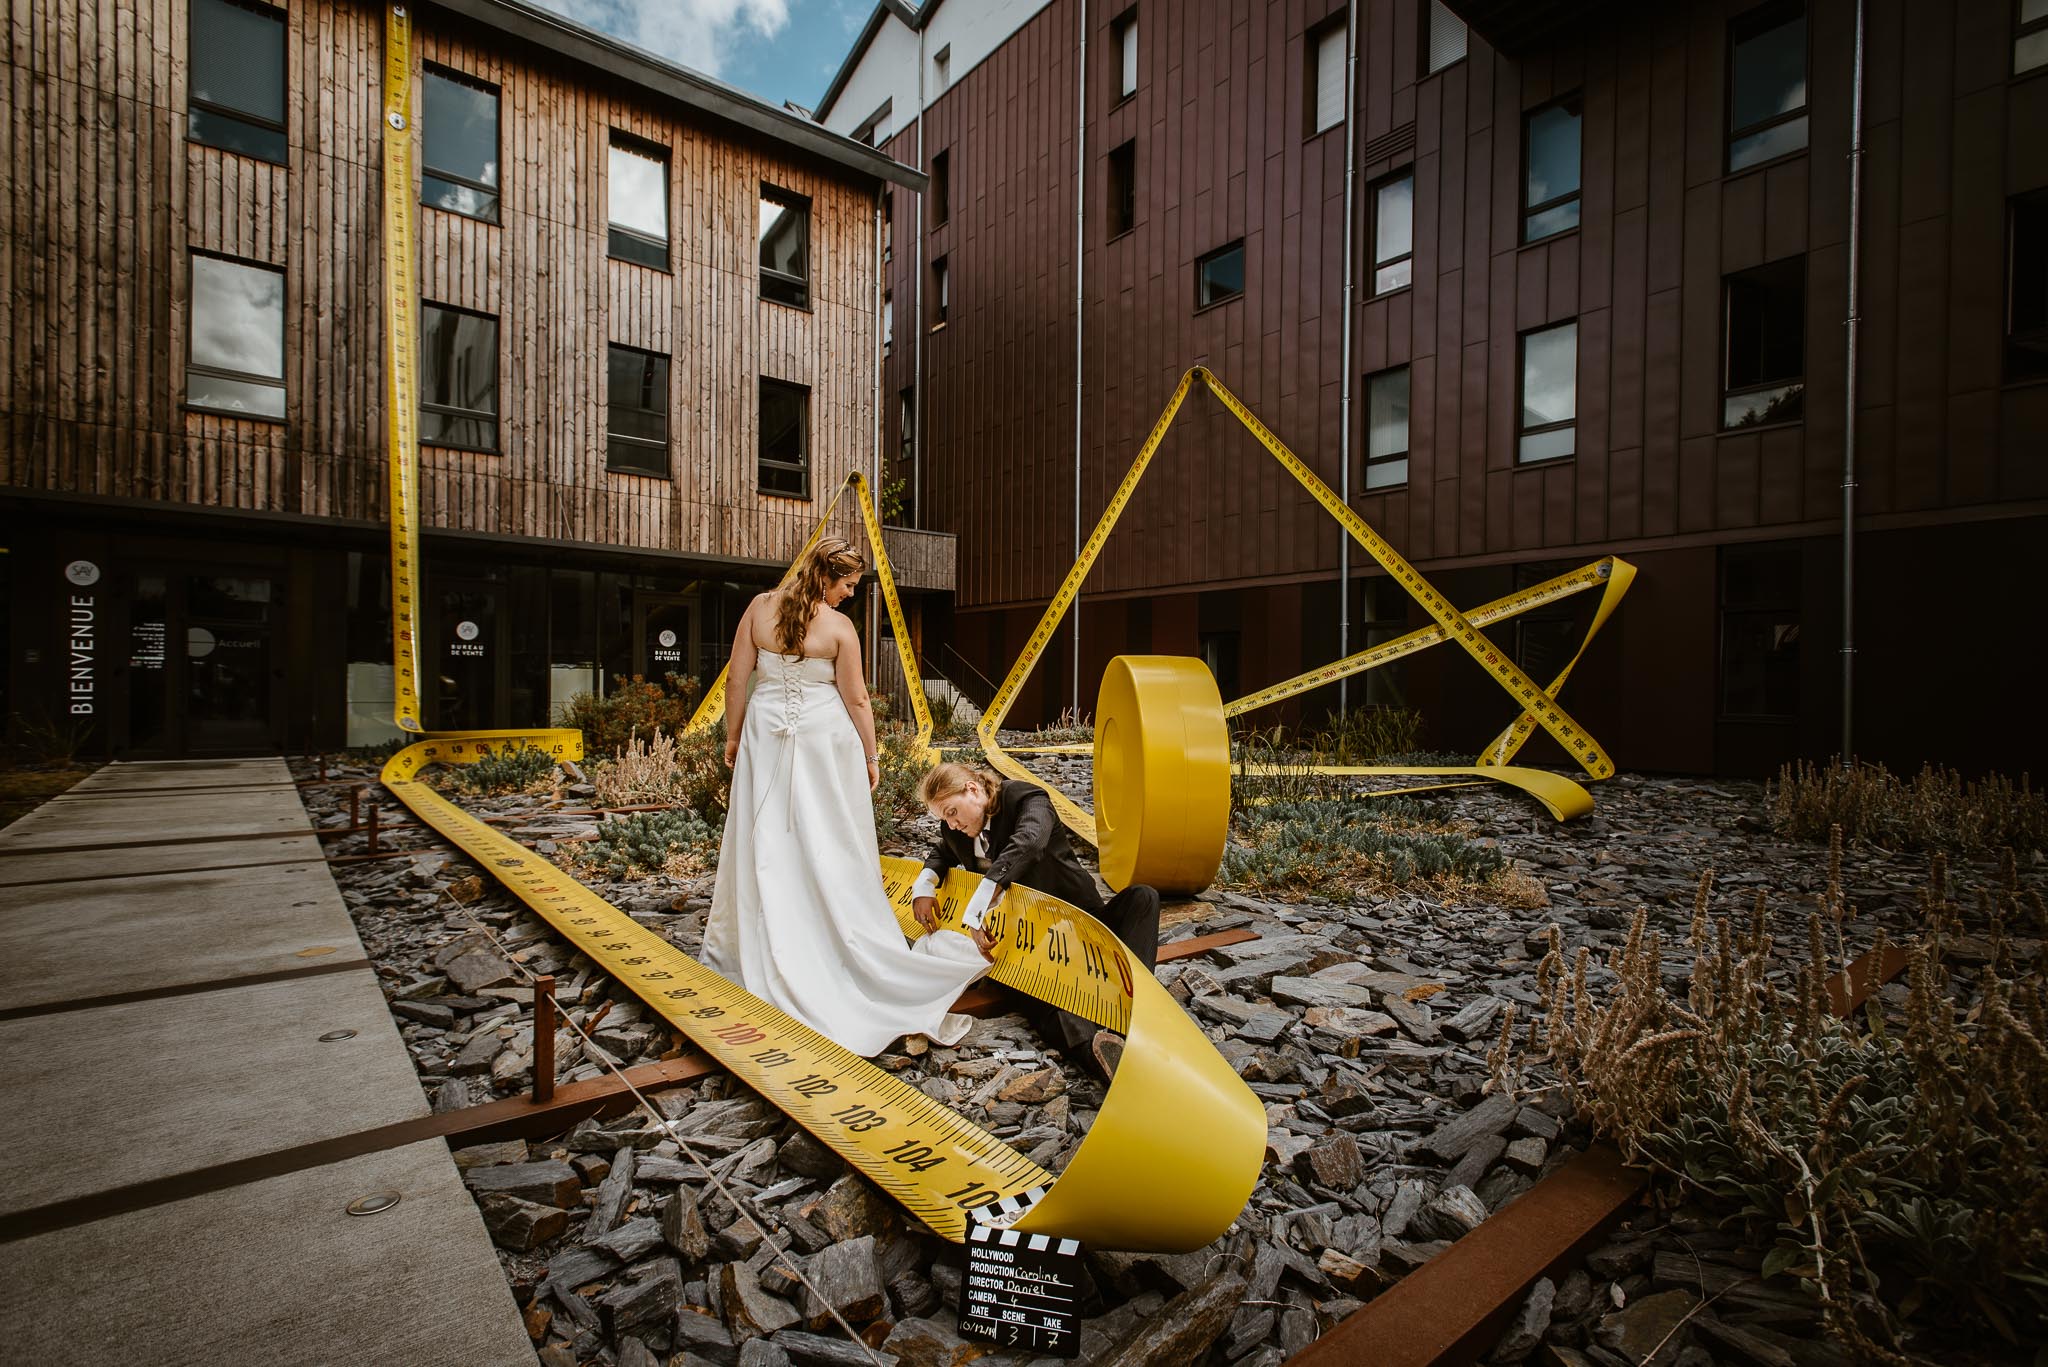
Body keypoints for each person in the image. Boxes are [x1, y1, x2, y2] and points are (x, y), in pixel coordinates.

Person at [700, 537, 991, 1056]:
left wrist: (733, 734)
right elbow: (855, 696)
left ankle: (767, 934)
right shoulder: (837, 628)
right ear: (827, 578)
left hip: (766, 733)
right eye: (849, 585)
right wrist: (872, 754)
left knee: (768, 833)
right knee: (831, 835)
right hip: (824, 740)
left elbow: (738, 677)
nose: (850, 595)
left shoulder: (759, 608)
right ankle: (833, 929)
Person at [912, 762, 1161, 1080]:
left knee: (1144, 898)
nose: (950, 823)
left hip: (1086, 926)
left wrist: (981, 899)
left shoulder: (1023, 797)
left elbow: (1031, 840)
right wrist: (924, 887)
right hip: (1033, 946)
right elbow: (940, 852)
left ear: (972, 790)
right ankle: (1097, 1050)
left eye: (951, 811)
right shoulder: (956, 832)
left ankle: (1134, 1007)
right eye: (943, 818)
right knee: (1030, 993)